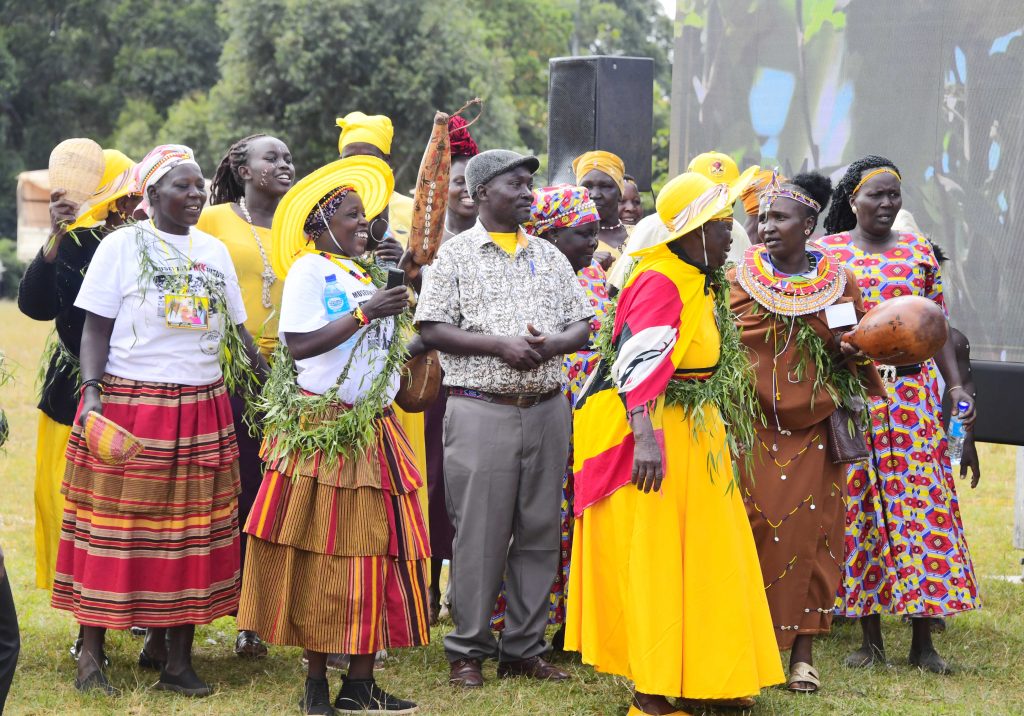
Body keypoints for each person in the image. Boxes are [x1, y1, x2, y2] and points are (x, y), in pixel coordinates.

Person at [51, 144, 267, 697]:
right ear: (150, 196)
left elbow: (238, 334)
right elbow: (95, 328)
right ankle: (91, 657)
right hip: (131, 405)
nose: (195, 194)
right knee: (115, 530)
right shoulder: (122, 246)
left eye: (200, 186)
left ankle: (176, 660)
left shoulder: (213, 251)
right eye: (181, 186)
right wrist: (93, 393)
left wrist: (273, 383)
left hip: (201, 405)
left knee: (190, 534)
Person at [566, 169, 784, 715]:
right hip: (659, 432)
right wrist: (645, 440)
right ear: (689, 232)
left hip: (696, 426)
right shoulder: (662, 279)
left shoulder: (696, 278)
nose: (731, 234)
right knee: (659, 559)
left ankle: (708, 678)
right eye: (719, 224)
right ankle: (653, 690)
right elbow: (634, 367)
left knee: (706, 555)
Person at [238, 154, 428, 716]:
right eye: (351, 215)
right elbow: (299, 345)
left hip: (375, 425)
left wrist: (402, 301)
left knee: (375, 550)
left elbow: (383, 346)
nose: (364, 224)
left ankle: (361, 683)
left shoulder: (364, 273)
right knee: (324, 552)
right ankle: (317, 683)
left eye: (365, 215)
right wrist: (369, 313)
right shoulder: (310, 270)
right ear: (320, 225)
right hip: (326, 429)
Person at [416, 149, 593, 689]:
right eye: (516, 184)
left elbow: (581, 324)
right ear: (483, 192)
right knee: (481, 533)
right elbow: (432, 328)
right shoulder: (455, 256)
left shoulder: (549, 255)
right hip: (480, 408)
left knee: (540, 530)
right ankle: (467, 649)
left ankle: (523, 647)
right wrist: (500, 346)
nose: (527, 193)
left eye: (528, 185)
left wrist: (550, 345)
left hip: (546, 409)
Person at [821, 155, 981, 674]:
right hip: (857, 398)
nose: (887, 204)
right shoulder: (830, 254)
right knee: (862, 512)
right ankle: (870, 640)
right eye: (876, 195)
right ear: (853, 201)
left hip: (911, 403)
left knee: (920, 511)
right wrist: (843, 349)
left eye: (894, 195)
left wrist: (955, 387)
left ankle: (923, 643)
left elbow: (937, 329)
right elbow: (825, 327)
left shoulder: (917, 252)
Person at [728, 171, 884, 693]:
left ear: (809, 224)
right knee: (753, 528)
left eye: (779, 218)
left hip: (815, 426)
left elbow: (853, 338)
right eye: (763, 217)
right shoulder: (740, 277)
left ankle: (802, 654)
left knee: (812, 534)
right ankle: (749, 646)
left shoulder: (837, 282)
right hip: (753, 425)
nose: (766, 226)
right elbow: (725, 343)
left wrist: (852, 349)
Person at [17, 148, 141, 592]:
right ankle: (75, 593)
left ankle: (127, 597)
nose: (133, 203)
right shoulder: (73, 241)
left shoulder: (147, 244)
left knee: (123, 503)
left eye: (137, 194)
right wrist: (53, 236)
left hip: (133, 387)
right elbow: (34, 306)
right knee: (63, 496)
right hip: (71, 391)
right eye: (124, 195)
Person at [490, 184, 607, 641]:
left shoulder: (597, 276)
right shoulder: (529, 277)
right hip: (544, 412)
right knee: (535, 523)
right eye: (584, 234)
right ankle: (526, 625)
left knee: (581, 516)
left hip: (591, 420)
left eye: (596, 232)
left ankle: (575, 623)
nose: (594, 243)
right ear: (551, 236)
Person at [199, 133, 295, 659]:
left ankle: (254, 616)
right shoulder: (212, 220)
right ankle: (193, 605)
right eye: (271, 157)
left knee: (271, 496)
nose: (285, 164)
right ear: (241, 167)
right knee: (230, 490)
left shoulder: (301, 224)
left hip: (292, 376)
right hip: (228, 373)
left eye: (287, 157)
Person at [426, 114, 480, 622]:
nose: (463, 190)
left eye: (471, 182)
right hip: (430, 379)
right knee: (434, 478)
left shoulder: (497, 243)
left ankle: (463, 591)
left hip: (478, 377)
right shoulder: (420, 244)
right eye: (455, 181)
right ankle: (426, 580)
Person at [573, 150, 630, 270]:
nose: (595, 194)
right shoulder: (569, 240)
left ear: (620, 193)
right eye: (587, 186)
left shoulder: (641, 235)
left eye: (605, 186)